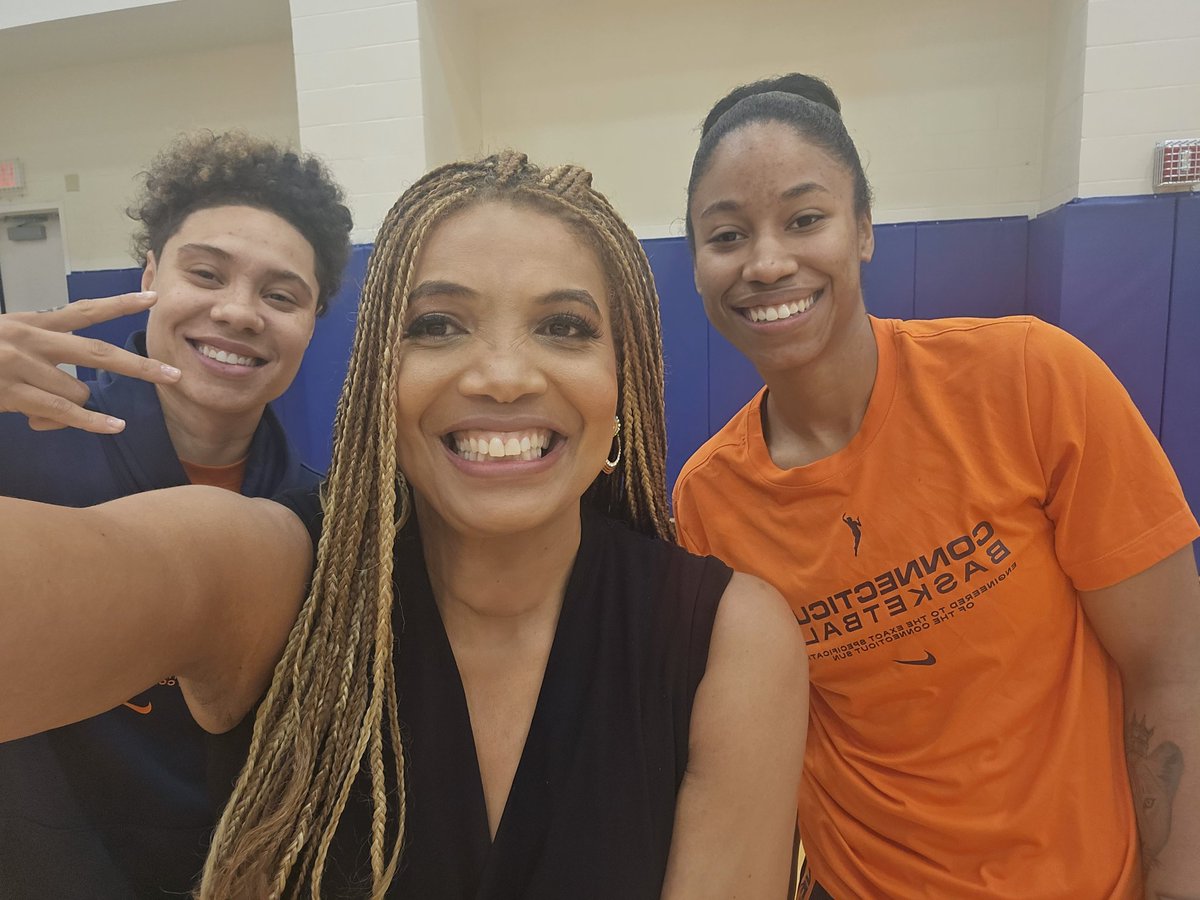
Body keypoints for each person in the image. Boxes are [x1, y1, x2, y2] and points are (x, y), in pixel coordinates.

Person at [0, 151, 808, 898]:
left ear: (623, 379)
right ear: (380, 378)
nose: (500, 376)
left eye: (564, 327)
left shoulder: (727, 641)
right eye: (437, 325)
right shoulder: (276, 575)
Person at [671, 74, 1200, 899]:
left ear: (866, 230)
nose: (767, 262)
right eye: (727, 234)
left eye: (805, 219)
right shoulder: (709, 503)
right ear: (697, 263)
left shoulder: (1030, 378)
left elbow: (1171, 671)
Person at [0, 131, 353, 896]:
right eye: (205, 273)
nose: (239, 312)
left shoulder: (319, 512)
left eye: (281, 294)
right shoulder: (20, 441)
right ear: (151, 273)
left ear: (312, 320)